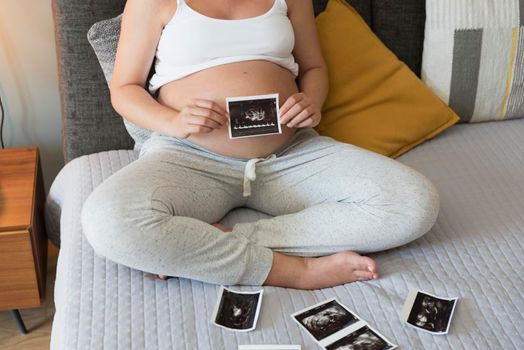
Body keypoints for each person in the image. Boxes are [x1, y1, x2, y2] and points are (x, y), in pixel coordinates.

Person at [81, 0, 440, 289]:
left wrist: (311, 102)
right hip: (189, 157)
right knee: (106, 221)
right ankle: (294, 271)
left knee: (414, 203)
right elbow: (124, 89)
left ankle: (216, 241)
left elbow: (314, 68)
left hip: (292, 154)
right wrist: (172, 121)